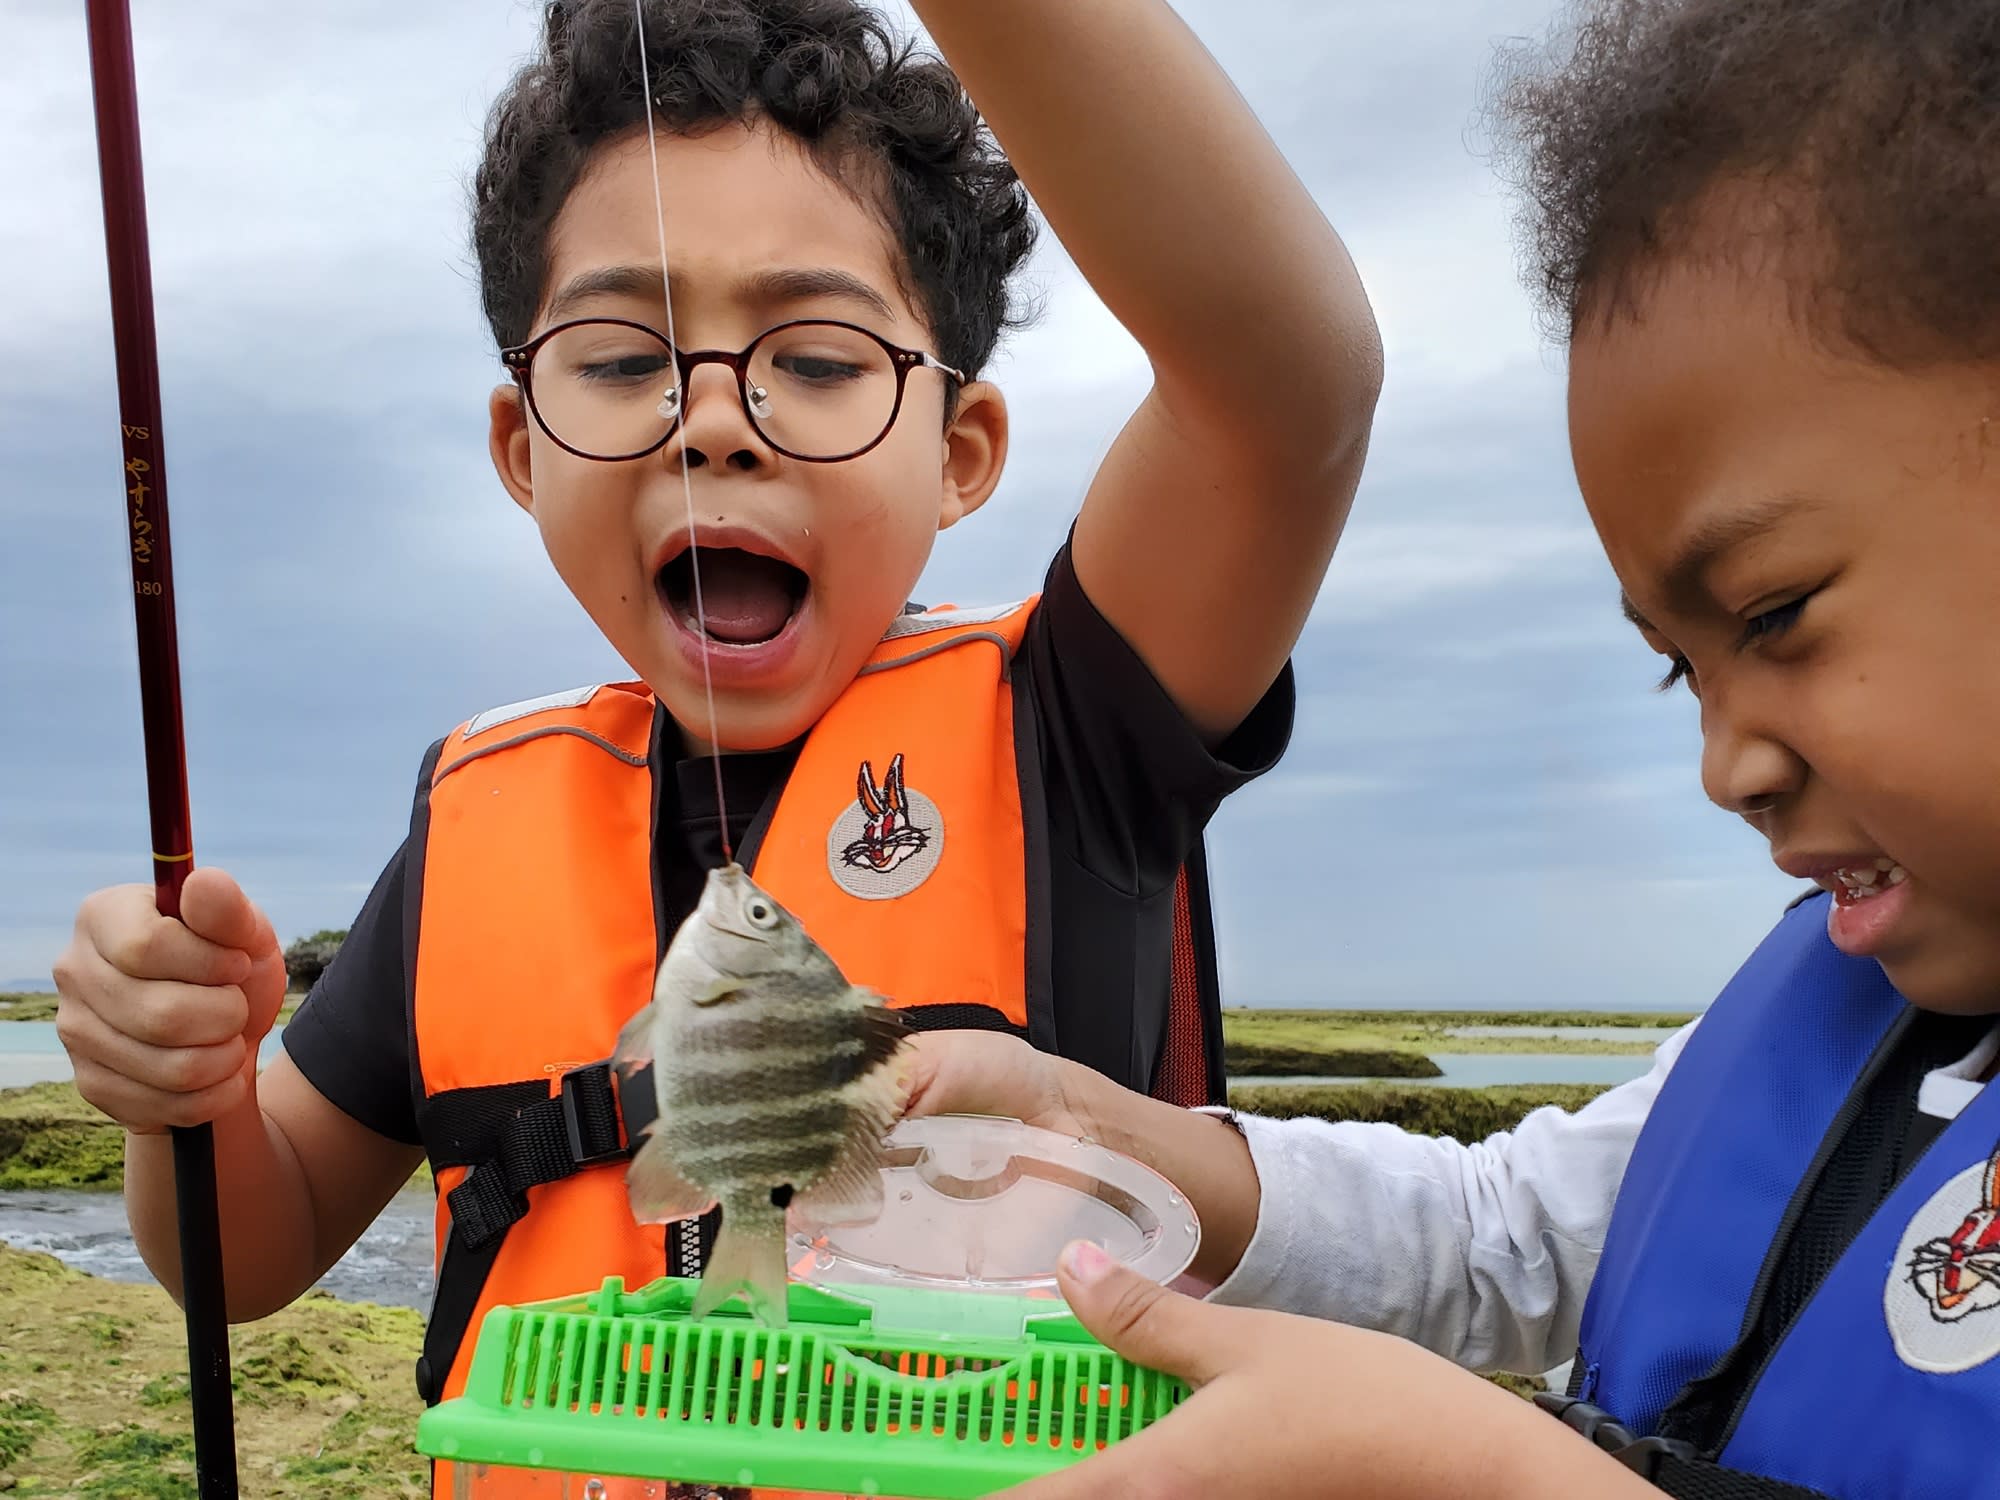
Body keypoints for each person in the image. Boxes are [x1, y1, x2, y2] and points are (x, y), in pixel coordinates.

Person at [49, 0, 1380, 1494]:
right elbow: (252, 1242)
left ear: (961, 452)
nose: (710, 422)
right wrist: (187, 1092)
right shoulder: (473, 832)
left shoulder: (1078, 720)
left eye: (814, 360)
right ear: (519, 445)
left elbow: (1287, 389)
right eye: (623, 361)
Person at [900, 1, 2000, 1496]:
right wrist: (1087, 1124)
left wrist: (1491, 1474)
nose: (1728, 764)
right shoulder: (1843, 997)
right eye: (1682, 671)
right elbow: (1501, 1235)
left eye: (1778, 613)